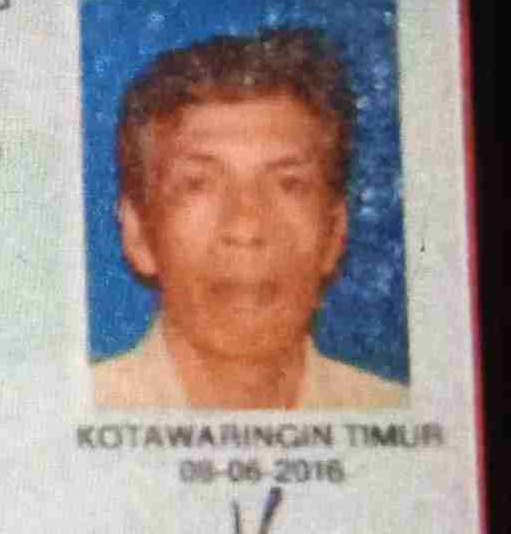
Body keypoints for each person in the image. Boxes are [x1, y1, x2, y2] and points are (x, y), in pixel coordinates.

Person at [92, 27, 409, 410]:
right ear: (139, 234)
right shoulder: (76, 410)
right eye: (198, 184)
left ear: (334, 233)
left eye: (289, 184)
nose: (245, 227)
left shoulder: (395, 411)